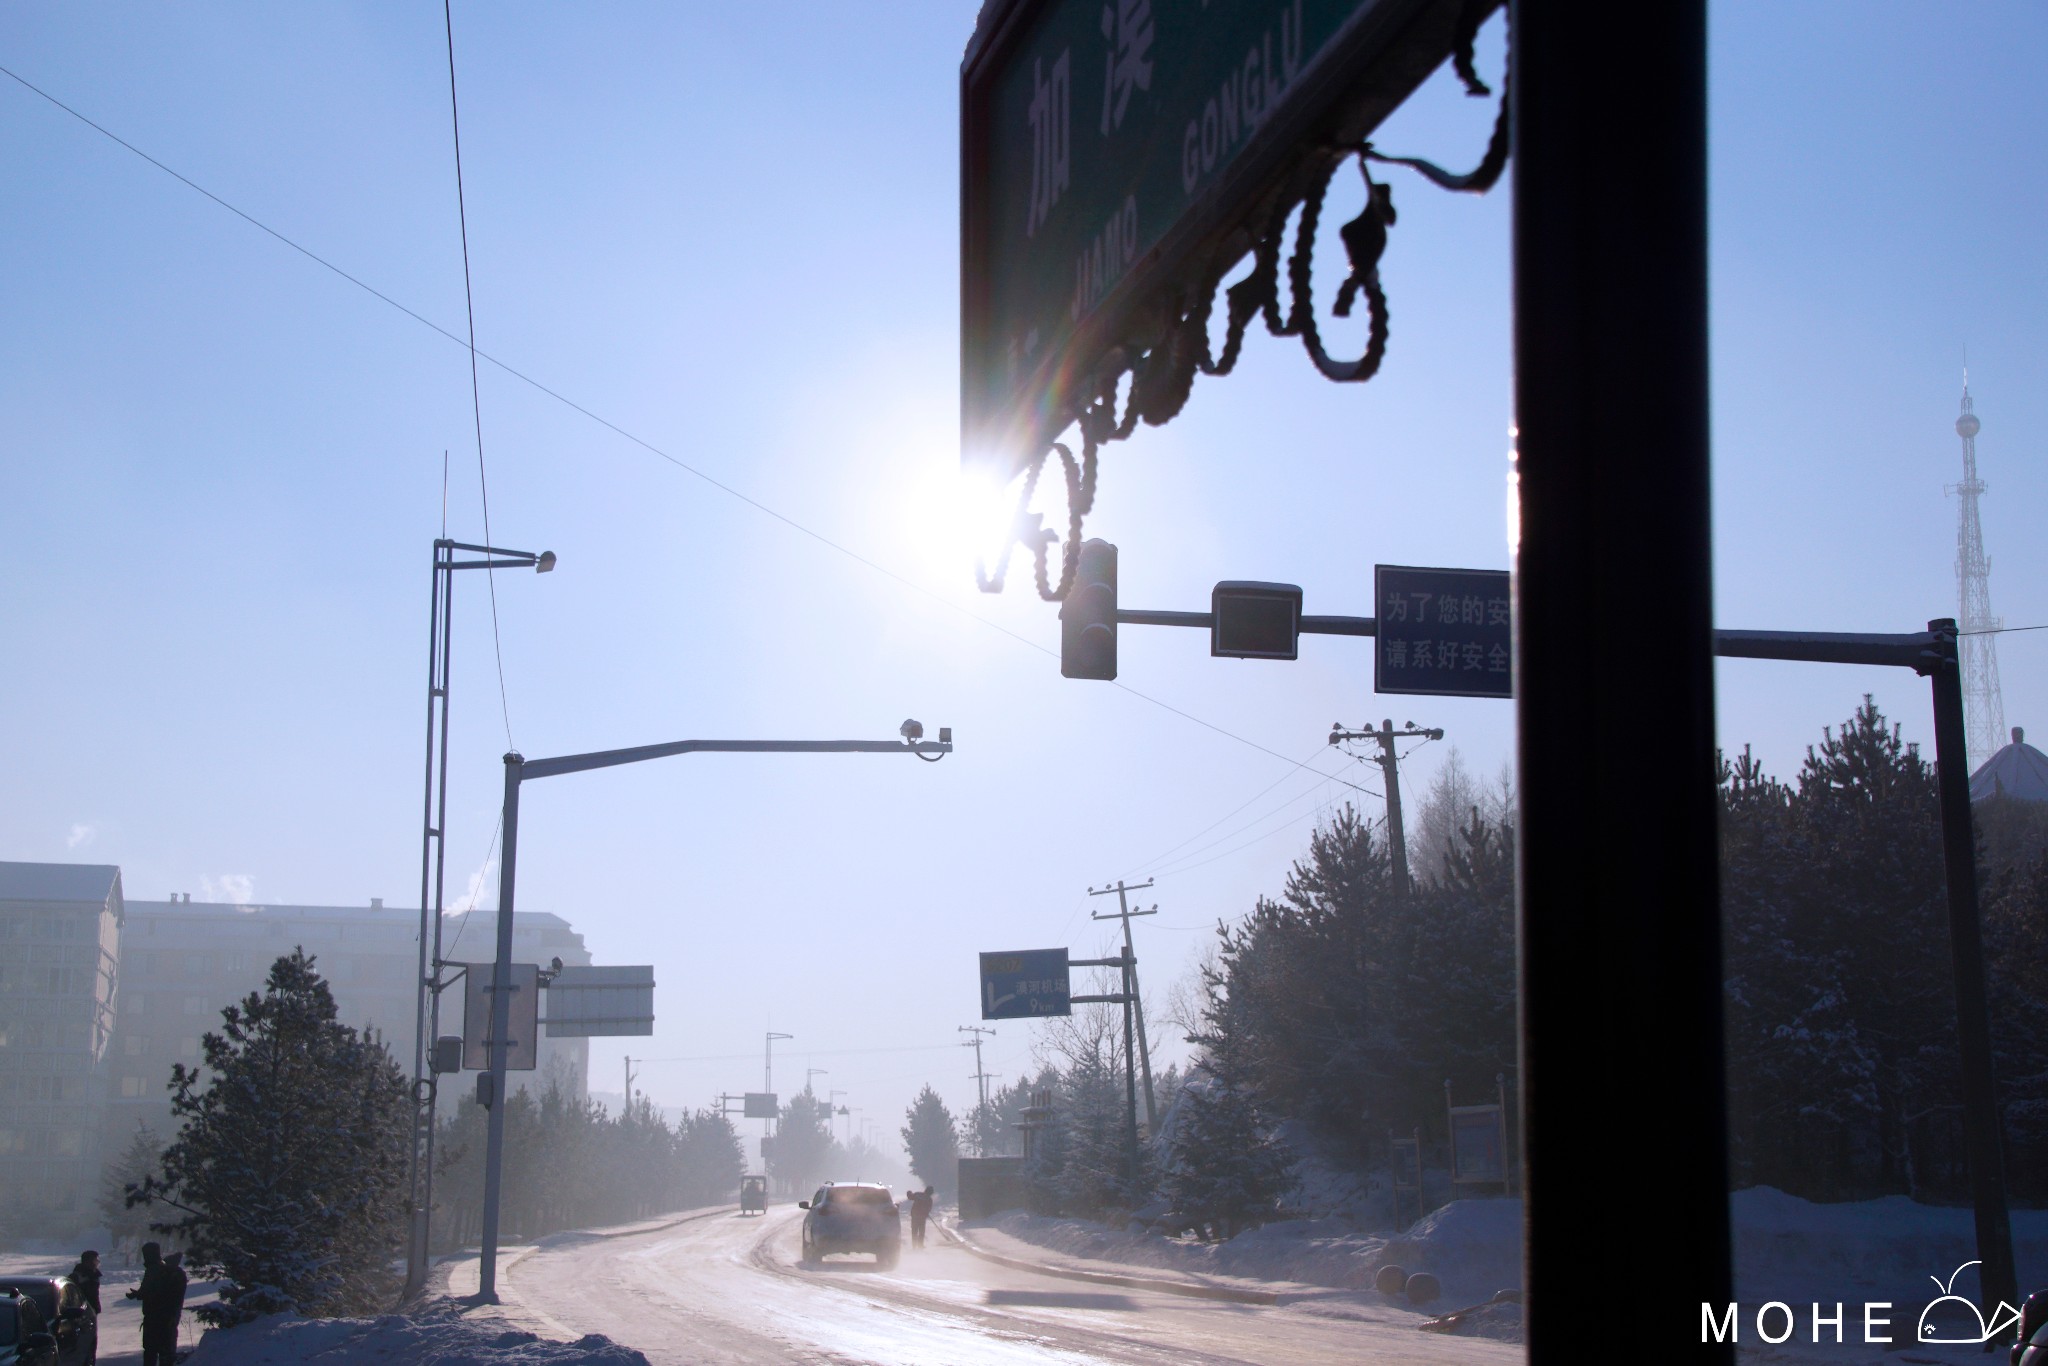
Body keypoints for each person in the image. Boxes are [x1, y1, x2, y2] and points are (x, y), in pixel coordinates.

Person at [125, 1242, 187, 1366]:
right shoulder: (166, 1270)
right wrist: (138, 1294)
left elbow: (152, 1291)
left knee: (152, 1352)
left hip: (156, 1318)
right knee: (165, 1353)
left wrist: (140, 1294)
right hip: (168, 1319)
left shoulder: (155, 1270)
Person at [66, 1250, 102, 1365]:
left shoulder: (94, 1275)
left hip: (92, 1312)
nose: (97, 1263)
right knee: (82, 1344)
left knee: (92, 1343)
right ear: (88, 1261)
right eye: (95, 1260)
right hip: (79, 1315)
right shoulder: (76, 1276)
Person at [907, 1185, 935, 1249]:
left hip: (915, 1216)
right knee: (921, 1232)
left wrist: (909, 1193)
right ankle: (920, 1245)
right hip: (922, 1217)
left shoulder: (918, 1195)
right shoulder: (929, 1199)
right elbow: (929, 1208)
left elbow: (910, 1197)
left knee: (914, 1231)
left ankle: (914, 1246)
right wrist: (926, 1212)